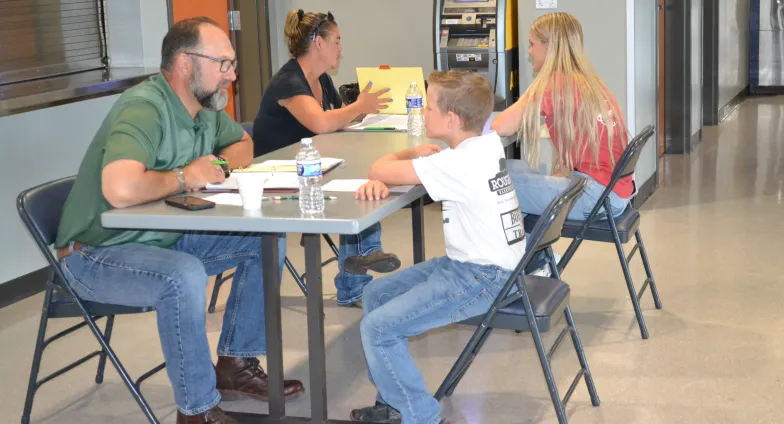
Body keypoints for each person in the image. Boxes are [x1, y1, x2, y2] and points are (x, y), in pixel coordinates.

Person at [55, 17, 304, 424]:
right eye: (223, 64)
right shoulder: (145, 107)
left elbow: (244, 144)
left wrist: (216, 165)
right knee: (184, 275)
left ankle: (235, 366)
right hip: (95, 254)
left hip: (159, 238)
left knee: (264, 236)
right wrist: (187, 176)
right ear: (187, 63)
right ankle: (196, 411)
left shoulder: (203, 109)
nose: (233, 74)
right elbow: (119, 188)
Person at [348, 70, 526, 424]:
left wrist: (413, 152)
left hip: (480, 277)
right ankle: (393, 403)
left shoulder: (458, 163)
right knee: (377, 295)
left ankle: (422, 417)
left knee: (377, 329)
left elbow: (378, 168)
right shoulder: (486, 142)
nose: (422, 113)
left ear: (450, 119)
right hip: (479, 266)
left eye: (428, 108)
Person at [252, 9, 400, 308]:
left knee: (367, 185)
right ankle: (357, 275)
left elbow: (336, 120)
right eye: (337, 41)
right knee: (362, 188)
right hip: (276, 184)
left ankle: (358, 271)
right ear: (318, 43)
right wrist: (358, 106)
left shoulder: (322, 81)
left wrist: (361, 111)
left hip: (311, 171)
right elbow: (321, 123)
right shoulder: (289, 82)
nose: (341, 49)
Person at [492, 12, 633, 221]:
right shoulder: (590, 81)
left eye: (532, 44)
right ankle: (535, 253)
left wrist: (536, 86)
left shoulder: (554, 84)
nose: (530, 52)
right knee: (502, 168)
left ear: (549, 46)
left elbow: (500, 126)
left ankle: (529, 254)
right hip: (613, 192)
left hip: (593, 197)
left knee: (490, 182)